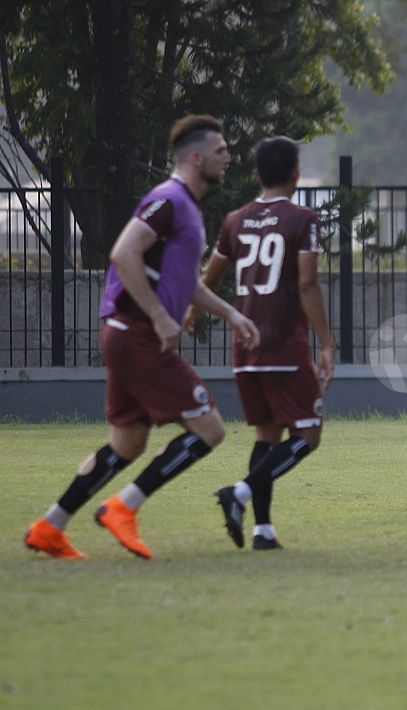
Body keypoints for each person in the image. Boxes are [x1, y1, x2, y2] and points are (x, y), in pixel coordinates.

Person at [23, 115, 259, 560]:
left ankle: (49, 527)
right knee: (209, 428)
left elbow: (184, 281)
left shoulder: (186, 207)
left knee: (128, 443)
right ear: (196, 157)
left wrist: (230, 313)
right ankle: (123, 508)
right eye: (221, 150)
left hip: (125, 334)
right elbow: (123, 253)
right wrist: (159, 316)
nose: (228, 157)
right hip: (136, 333)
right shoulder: (168, 200)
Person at [186, 136, 335, 551]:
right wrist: (326, 343)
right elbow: (307, 283)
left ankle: (263, 531)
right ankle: (241, 492)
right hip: (284, 343)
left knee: (267, 436)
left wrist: (194, 312)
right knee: (307, 434)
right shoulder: (302, 218)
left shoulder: (235, 219)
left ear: (255, 175)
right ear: (296, 174)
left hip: (245, 346)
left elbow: (210, 276)